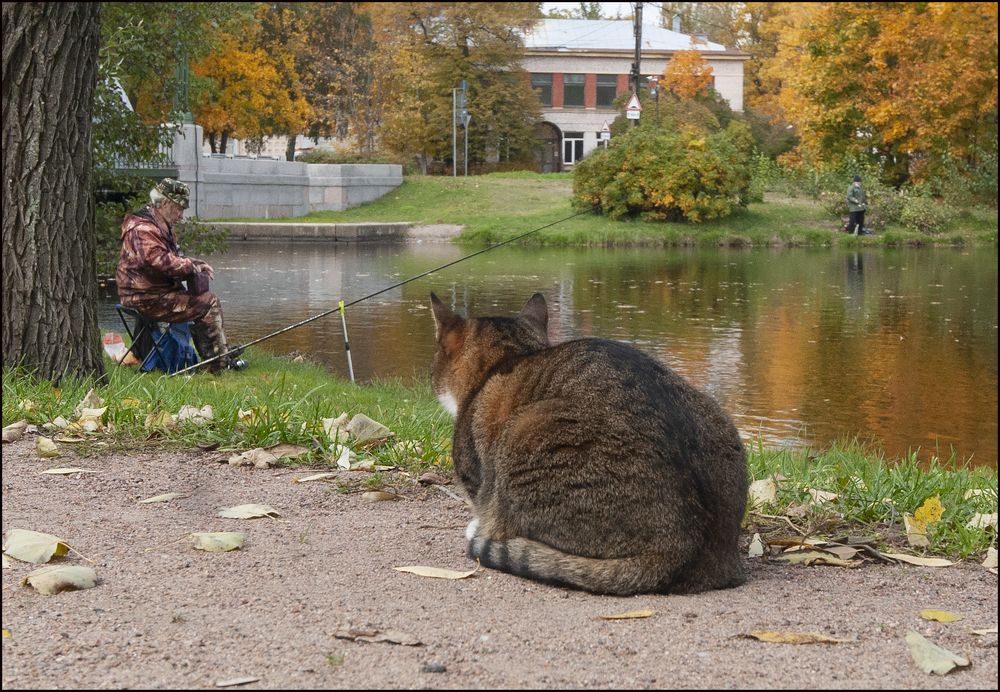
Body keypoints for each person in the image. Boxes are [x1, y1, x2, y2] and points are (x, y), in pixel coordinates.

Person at [116, 178, 239, 373]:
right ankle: (218, 365)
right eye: (179, 208)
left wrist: (196, 264)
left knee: (197, 299)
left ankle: (218, 355)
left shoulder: (155, 225)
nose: (181, 215)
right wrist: (191, 266)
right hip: (146, 298)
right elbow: (157, 261)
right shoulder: (143, 229)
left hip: (148, 294)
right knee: (208, 303)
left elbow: (170, 258)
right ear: (164, 203)